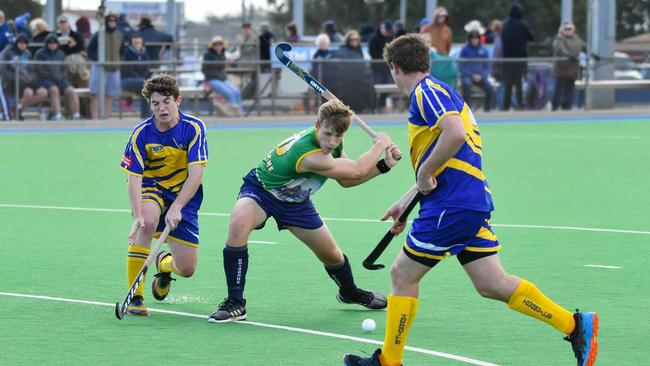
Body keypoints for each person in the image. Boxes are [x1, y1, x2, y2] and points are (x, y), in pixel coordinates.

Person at [343, 33, 598, 366]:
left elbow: (454, 135)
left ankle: (388, 361)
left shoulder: (426, 92)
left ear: (394, 67)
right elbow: (446, 158)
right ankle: (575, 325)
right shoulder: (445, 93)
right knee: (491, 283)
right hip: (467, 201)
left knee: (402, 275)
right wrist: (407, 200)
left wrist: (422, 176)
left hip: (452, 205)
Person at [208, 99, 401, 322]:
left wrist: (384, 165)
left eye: (338, 136)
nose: (332, 142)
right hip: (263, 192)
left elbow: (347, 181)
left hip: (296, 201)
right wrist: (380, 144)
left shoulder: (333, 142)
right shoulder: (306, 153)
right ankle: (235, 303)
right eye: (328, 134)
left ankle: (349, 292)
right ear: (316, 125)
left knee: (332, 255)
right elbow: (357, 170)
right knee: (238, 223)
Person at [119, 74, 208, 316]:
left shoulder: (193, 128)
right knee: (147, 222)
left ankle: (164, 263)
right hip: (153, 187)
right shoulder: (141, 134)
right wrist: (137, 215)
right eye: (155, 103)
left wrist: (177, 206)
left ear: (178, 100)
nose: (162, 108)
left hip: (184, 193)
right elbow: (134, 177)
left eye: (167, 101)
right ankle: (136, 297)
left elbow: (196, 173)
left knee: (187, 268)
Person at [34, 33, 80, 120]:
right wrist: (52, 76)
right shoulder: (40, 54)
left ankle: (76, 115)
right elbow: (38, 69)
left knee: (70, 90)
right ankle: (57, 115)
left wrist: (60, 76)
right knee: (54, 90)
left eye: (54, 42)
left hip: (60, 79)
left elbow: (65, 69)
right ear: (46, 43)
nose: (52, 44)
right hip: (45, 80)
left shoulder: (61, 54)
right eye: (50, 42)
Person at [87, 12, 124, 119]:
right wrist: (98, 60)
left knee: (110, 95)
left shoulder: (119, 35)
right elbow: (90, 50)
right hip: (99, 68)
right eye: (110, 21)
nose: (112, 23)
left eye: (114, 21)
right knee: (95, 94)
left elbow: (121, 51)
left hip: (114, 69)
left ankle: (106, 118)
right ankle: (94, 118)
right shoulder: (99, 34)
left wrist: (118, 61)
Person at [0, 33, 44, 120]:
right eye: (20, 42)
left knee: (40, 92)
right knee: (24, 93)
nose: (22, 44)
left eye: (24, 43)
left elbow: (32, 70)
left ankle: (19, 110)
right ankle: (10, 115)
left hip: (24, 83)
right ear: (16, 43)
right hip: (9, 84)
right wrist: (17, 77)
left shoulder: (27, 54)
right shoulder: (7, 52)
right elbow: (3, 70)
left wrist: (28, 78)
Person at [501, 3, 534, 110]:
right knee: (518, 83)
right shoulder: (522, 25)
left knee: (508, 85)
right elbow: (531, 37)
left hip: (507, 60)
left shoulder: (505, 24)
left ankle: (506, 107)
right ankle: (520, 106)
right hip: (519, 59)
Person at [202, 35, 242, 115]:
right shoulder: (207, 55)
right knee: (230, 94)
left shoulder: (223, 54)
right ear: (212, 45)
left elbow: (234, 57)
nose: (218, 46)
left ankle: (239, 111)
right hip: (212, 79)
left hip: (222, 79)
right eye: (215, 44)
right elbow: (204, 70)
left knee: (237, 92)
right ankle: (232, 113)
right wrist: (217, 72)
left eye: (220, 44)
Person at [552, 21, 585, 111]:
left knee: (570, 90)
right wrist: (569, 56)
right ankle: (555, 107)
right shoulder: (558, 39)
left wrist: (593, 54)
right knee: (558, 89)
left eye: (569, 29)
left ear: (573, 30)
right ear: (561, 30)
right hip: (561, 69)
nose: (567, 31)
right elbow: (560, 49)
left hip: (572, 69)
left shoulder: (577, 39)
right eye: (565, 29)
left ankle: (567, 107)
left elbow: (584, 47)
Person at [459, 31, 493, 112]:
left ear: (479, 39)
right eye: (472, 39)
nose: (474, 40)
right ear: (469, 39)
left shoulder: (483, 50)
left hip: (481, 76)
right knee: (466, 84)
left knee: (489, 88)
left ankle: (487, 110)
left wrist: (482, 75)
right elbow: (461, 65)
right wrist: (471, 75)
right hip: (469, 76)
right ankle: (468, 110)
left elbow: (487, 65)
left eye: (476, 38)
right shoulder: (465, 50)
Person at [121, 33, 151, 119]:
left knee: (146, 89)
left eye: (139, 42)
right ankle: (146, 115)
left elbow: (147, 69)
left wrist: (143, 79)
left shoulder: (145, 54)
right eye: (135, 43)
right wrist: (142, 79)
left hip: (142, 82)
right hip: (127, 81)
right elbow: (128, 70)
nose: (137, 44)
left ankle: (146, 115)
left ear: (142, 43)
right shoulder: (127, 54)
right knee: (146, 85)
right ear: (131, 43)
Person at [369, 21, 393, 113]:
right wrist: (383, 58)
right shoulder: (374, 38)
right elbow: (372, 52)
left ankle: (381, 105)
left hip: (387, 68)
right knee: (375, 88)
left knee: (388, 87)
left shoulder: (390, 38)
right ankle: (373, 108)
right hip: (377, 68)